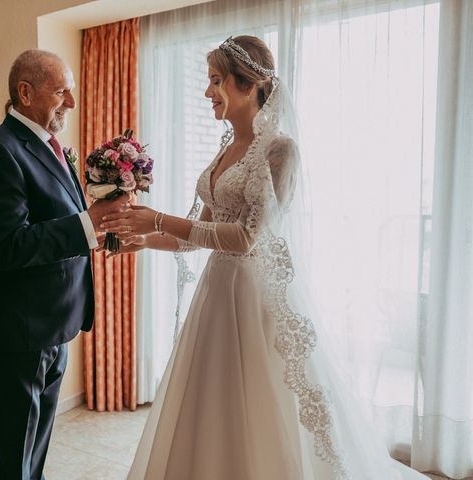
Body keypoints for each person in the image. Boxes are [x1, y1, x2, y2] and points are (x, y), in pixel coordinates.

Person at [100, 36, 429, 479]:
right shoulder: (223, 150)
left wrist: (157, 219)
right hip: (215, 297)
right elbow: (201, 234)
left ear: (250, 84)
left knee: (260, 406)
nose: (206, 92)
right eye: (208, 81)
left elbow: (246, 238)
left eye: (216, 81)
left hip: (255, 299)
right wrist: (144, 240)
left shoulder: (280, 150)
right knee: (209, 409)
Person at [0, 49, 124, 480]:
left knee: (36, 444)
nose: (71, 101)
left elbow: (60, 218)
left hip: (54, 320)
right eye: (62, 91)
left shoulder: (50, 146)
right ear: (25, 92)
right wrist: (84, 225)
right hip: (20, 328)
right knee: (17, 448)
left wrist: (103, 229)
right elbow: (9, 246)